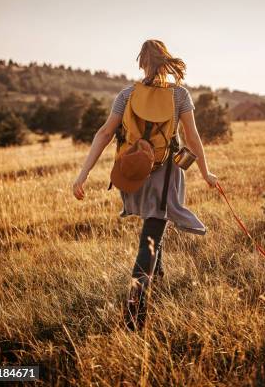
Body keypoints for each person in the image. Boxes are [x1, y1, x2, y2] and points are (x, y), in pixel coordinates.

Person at [71, 39, 218, 329]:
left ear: (142, 63)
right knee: (150, 239)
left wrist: (83, 174)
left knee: (154, 226)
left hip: (133, 176)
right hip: (165, 177)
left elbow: (104, 133)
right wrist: (205, 172)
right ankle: (134, 315)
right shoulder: (180, 95)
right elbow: (192, 138)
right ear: (166, 62)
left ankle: (157, 275)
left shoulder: (126, 94)